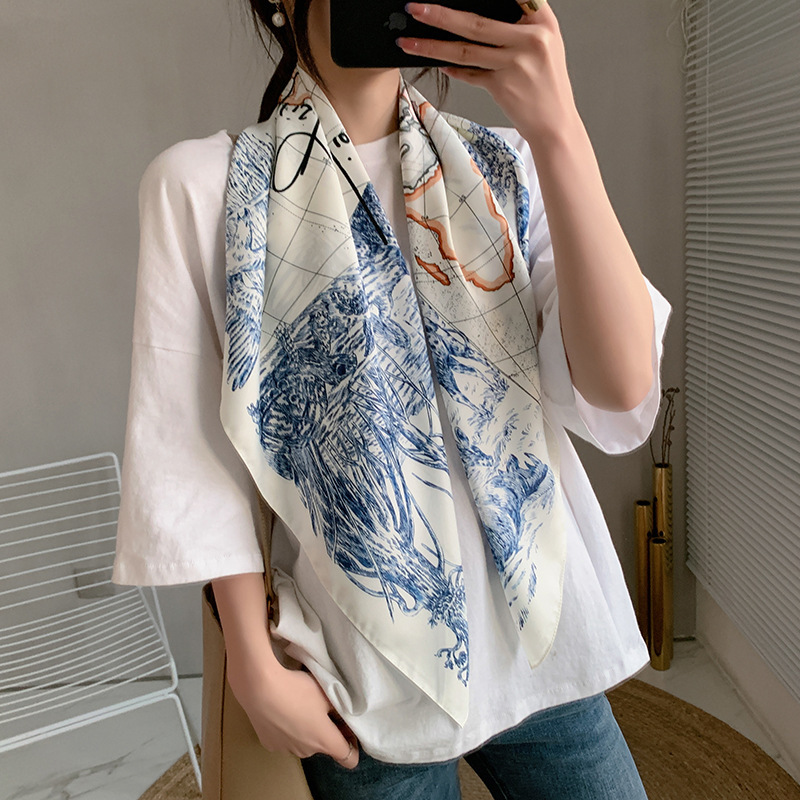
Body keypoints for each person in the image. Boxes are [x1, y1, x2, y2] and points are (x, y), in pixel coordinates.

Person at [111, 0, 672, 798]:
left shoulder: (506, 163)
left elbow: (618, 385)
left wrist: (560, 129)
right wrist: (252, 666)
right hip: (363, 669)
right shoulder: (203, 187)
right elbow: (195, 456)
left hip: (544, 637)